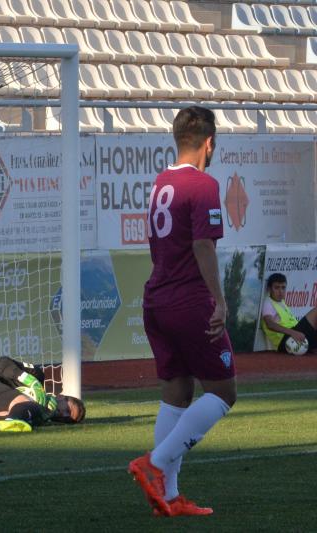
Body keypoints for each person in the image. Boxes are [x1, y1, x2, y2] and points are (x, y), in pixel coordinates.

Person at [128, 107, 236, 517]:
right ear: (209, 142)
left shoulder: (162, 182)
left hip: (156, 298)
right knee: (224, 393)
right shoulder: (203, 184)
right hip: (189, 302)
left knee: (177, 391)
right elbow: (203, 245)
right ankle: (153, 464)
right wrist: (220, 301)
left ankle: (168, 497)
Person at [260, 273, 317, 354]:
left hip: (296, 336)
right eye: (277, 288)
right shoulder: (268, 303)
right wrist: (292, 332)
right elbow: (270, 324)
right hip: (286, 340)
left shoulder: (282, 302)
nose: (280, 291)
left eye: (283, 288)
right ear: (269, 289)